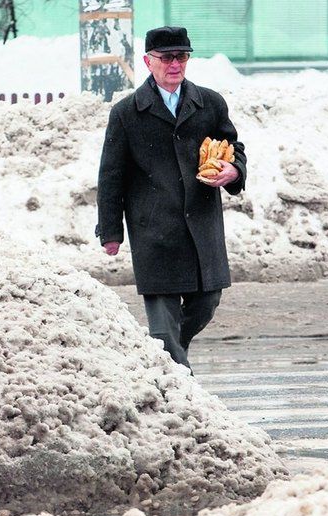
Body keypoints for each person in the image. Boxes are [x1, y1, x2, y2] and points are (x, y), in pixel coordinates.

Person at [95, 26, 247, 371]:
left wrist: (233, 171)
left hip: (202, 227)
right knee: (163, 329)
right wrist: (110, 231)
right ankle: (181, 385)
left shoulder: (210, 104)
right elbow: (110, 176)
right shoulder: (126, 113)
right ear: (149, 62)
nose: (175, 64)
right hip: (154, 232)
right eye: (166, 58)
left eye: (181, 56)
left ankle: (163, 358)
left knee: (207, 301)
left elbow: (233, 147)